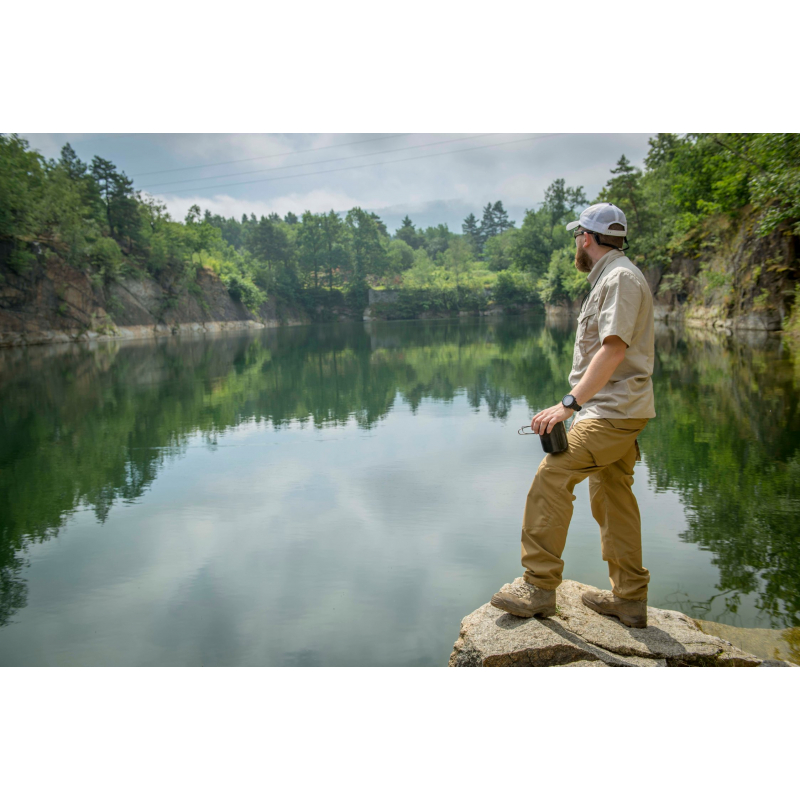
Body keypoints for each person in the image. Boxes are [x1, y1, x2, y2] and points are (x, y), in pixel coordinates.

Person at [491, 202, 656, 628]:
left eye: (577, 236)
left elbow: (613, 350)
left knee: (553, 475)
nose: (576, 243)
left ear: (587, 238)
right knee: (612, 494)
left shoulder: (619, 279)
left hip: (612, 413)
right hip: (616, 410)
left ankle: (538, 586)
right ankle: (630, 599)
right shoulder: (614, 277)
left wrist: (568, 405)